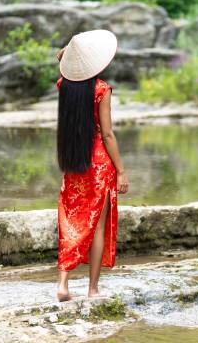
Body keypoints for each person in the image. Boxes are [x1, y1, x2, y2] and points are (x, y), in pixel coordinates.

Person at [54, 29, 129, 301]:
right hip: (98, 163)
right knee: (97, 225)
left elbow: (61, 61)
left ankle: (63, 284)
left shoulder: (63, 85)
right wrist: (121, 170)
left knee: (71, 218)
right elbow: (107, 134)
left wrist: (65, 56)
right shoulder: (101, 89)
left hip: (73, 160)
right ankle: (92, 290)